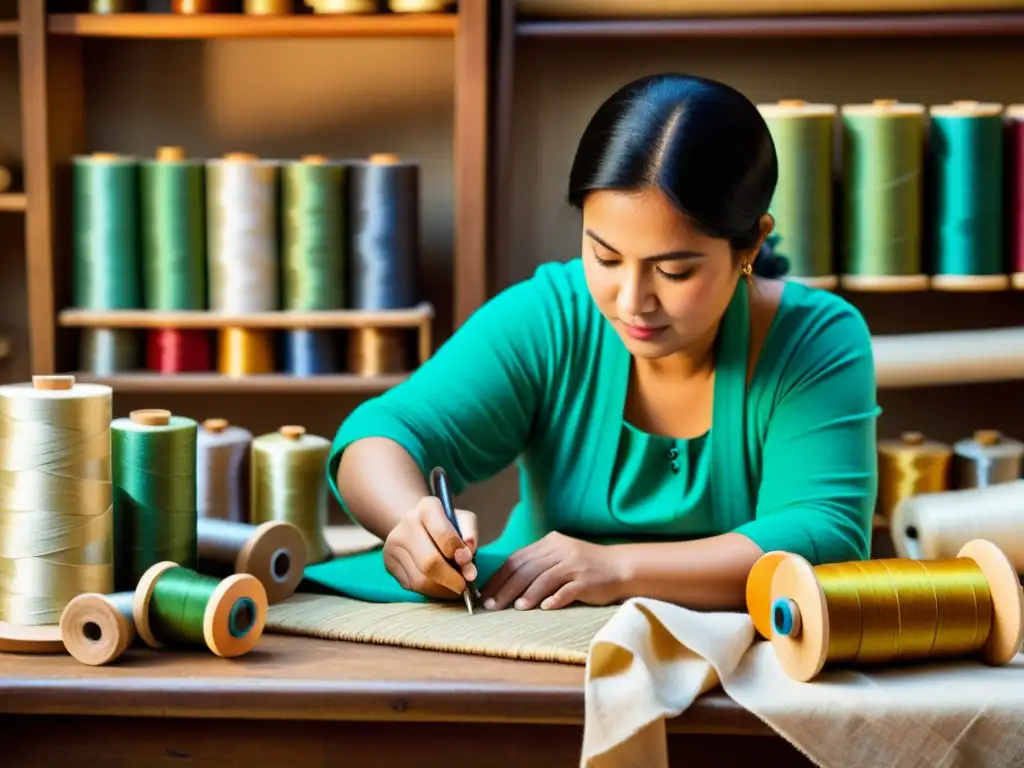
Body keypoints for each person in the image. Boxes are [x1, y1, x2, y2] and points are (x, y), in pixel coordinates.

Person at [306, 73, 880, 613]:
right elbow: (380, 436)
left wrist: (619, 569)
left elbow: (823, 533)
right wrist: (412, 521)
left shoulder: (816, 340)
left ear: (750, 245)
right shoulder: (552, 316)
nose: (632, 299)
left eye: (674, 272)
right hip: (526, 647)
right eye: (604, 257)